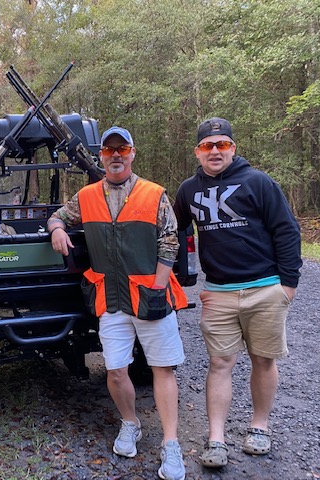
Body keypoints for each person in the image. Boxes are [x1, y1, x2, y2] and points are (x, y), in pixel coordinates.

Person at [48, 126, 188, 480]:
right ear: (101, 157)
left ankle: (171, 444)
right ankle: (130, 423)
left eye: (121, 149)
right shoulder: (87, 195)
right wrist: (57, 230)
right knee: (114, 370)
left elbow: (170, 239)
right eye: (109, 150)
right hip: (111, 300)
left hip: (151, 297)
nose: (115, 156)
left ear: (132, 153)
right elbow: (57, 216)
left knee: (162, 368)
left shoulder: (154, 193)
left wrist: (158, 284)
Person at [173, 117, 302, 468]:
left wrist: (287, 285)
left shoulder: (258, 182)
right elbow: (173, 229)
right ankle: (216, 439)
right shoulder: (187, 190)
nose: (215, 151)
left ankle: (259, 427)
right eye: (207, 146)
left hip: (265, 288)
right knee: (219, 363)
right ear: (198, 152)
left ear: (233, 148)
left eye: (222, 144)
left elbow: (287, 231)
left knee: (263, 359)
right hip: (218, 293)